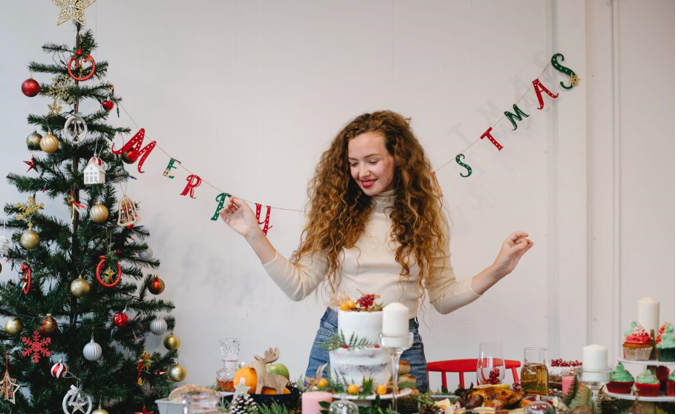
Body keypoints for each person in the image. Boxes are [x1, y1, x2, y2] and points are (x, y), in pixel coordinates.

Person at [219, 111, 533, 392]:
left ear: (399, 158)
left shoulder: (425, 215)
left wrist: (499, 268)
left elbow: (443, 298)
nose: (361, 172)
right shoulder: (335, 212)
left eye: (372, 161)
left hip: (400, 346)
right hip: (338, 339)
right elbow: (299, 286)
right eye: (353, 163)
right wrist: (253, 234)